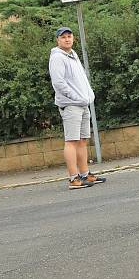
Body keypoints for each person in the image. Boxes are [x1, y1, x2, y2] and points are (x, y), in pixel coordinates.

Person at [49, 27, 106, 189]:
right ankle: (73, 179)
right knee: (71, 141)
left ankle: (84, 174)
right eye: (63, 37)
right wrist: (76, 97)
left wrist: (89, 95)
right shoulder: (57, 57)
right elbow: (59, 83)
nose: (67, 39)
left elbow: (81, 79)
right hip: (71, 105)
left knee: (82, 141)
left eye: (69, 36)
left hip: (83, 104)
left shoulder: (73, 54)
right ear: (58, 40)